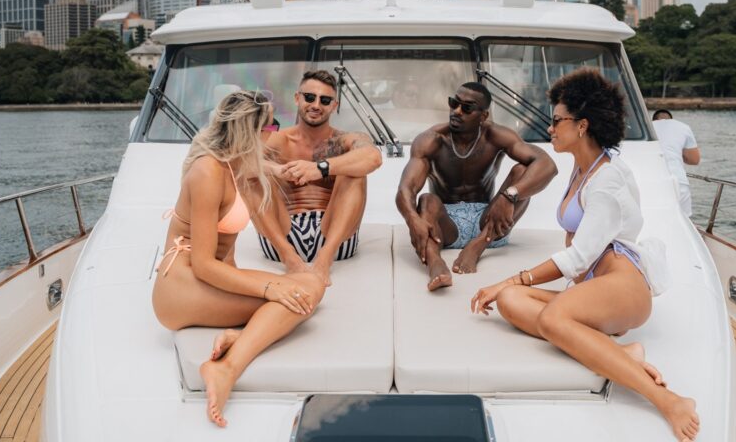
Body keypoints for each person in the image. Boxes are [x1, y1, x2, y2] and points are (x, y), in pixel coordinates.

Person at [469, 69, 698, 442]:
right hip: (596, 287)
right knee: (511, 303)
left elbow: (578, 258)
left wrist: (509, 278)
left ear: (582, 126)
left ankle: (668, 400)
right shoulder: (583, 167)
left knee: (550, 317)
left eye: (557, 121)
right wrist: (510, 288)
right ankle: (621, 351)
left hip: (623, 286)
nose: (551, 128)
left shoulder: (605, 180)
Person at [151, 90, 326, 427]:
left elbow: (269, 169)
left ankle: (238, 335)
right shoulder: (207, 173)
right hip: (182, 285)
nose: (276, 132)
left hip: (209, 278)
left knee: (312, 284)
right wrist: (267, 289)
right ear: (253, 131)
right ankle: (225, 368)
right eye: (272, 125)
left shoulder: (239, 163)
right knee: (299, 295)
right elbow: (203, 263)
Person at [396, 82, 557, 291]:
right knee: (426, 200)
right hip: (445, 226)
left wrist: (509, 196)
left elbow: (548, 165)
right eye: (454, 103)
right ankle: (435, 262)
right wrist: (412, 218)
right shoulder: (432, 140)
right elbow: (405, 189)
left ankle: (479, 244)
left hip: (489, 220)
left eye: (467, 107)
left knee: (522, 172)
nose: (456, 111)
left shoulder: (495, 135)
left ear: (483, 116)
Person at [249, 70, 382, 286]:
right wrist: (277, 170)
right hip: (281, 237)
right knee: (253, 176)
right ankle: (290, 258)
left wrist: (319, 168)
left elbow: (373, 158)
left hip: (334, 238)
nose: (316, 105)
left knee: (355, 168)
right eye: (309, 97)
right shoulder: (278, 141)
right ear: (297, 98)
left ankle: (324, 260)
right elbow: (237, 163)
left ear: (334, 106)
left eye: (325, 100)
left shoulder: (343, 140)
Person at [652, 109, 701, 216]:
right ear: (671, 119)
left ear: (653, 119)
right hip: (679, 182)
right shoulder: (683, 127)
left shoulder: (646, 128)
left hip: (650, 182)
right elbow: (694, 160)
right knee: (683, 221)